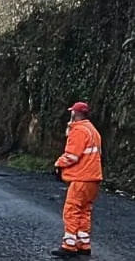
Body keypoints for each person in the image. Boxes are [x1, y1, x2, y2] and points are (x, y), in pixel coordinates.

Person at [51, 101, 103, 258]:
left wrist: (58, 164)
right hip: (93, 178)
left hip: (81, 178)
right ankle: (83, 244)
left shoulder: (78, 130)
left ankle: (69, 246)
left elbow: (72, 156)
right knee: (84, 211)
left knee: (71, 210)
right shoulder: (93, 131)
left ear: (74, 113)